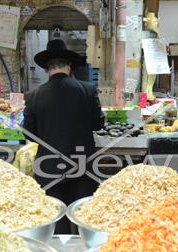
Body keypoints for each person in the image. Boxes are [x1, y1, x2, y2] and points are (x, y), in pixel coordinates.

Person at [23, 39, 105, 234]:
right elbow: (98, 124)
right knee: (82, 221)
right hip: (83, 166)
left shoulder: (33, 95)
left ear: (47, 69)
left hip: (49, 167)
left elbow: (29, 132)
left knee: (56, 222)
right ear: (69, 66)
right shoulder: (88, 90)